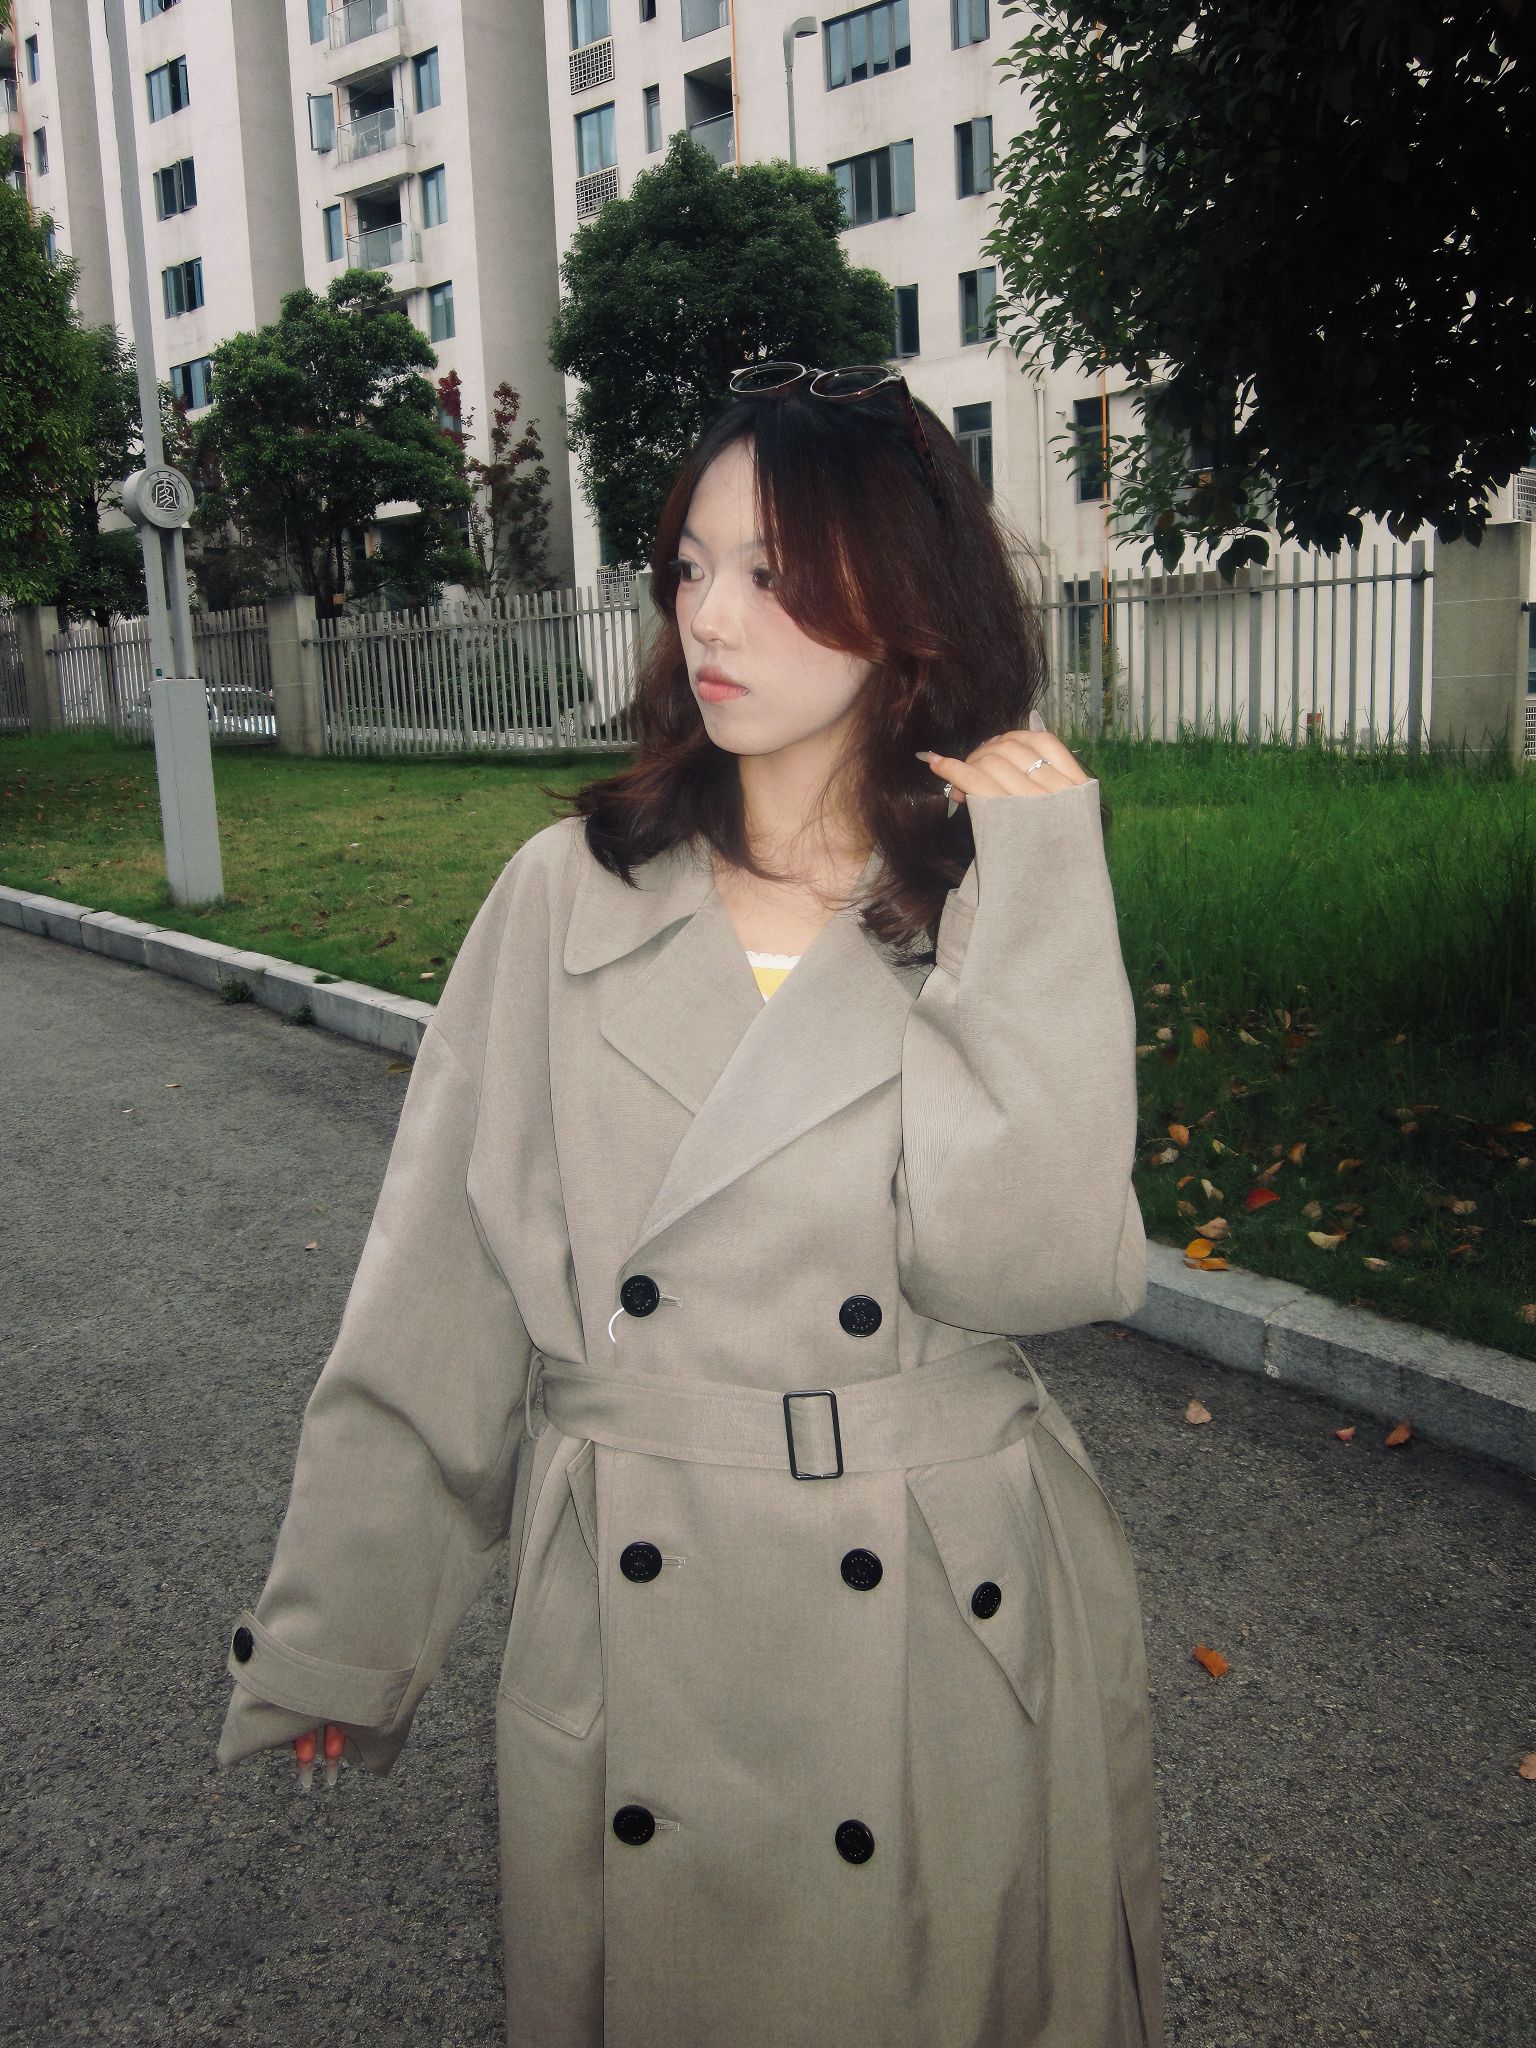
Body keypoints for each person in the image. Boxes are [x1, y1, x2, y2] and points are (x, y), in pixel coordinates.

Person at [217, 361, 1164, 2047]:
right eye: (691, 566)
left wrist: (1036, 897)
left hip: (940, 1622)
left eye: (773, 573)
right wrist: (341, 1635)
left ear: (908, 603)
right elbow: (440, 1283)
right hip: (646, 1603)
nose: (709, 617)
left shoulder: (987, 900)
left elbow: (1022, 1267)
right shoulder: (565, 899)